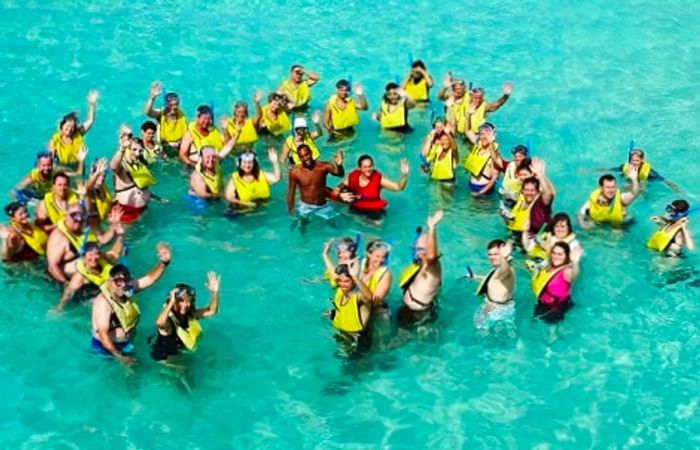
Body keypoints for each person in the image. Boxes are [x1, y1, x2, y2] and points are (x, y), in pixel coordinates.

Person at [91, 244, 171, 363]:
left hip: (124, 344)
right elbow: (103, 335)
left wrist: (164, 263)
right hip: (106, 349)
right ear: (109, 282)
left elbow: (149, 279)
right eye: (118, 281)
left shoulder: (126, 288)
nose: (122, 285)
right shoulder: (104, 303)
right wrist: (120, 357)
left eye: (126, 281)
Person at [150, 271, 221, 362]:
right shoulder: (168, 320)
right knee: (185, 374)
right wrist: (171, 302)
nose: (185, 305)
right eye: (181, 301)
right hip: (164, 357)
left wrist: (215, 292)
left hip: (178, 353)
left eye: (188, 301)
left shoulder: (189, 314)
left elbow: (211, 311)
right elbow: (159, 323)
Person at [46, 202, 122, 283]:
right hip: (66, 278)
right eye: (73, 215)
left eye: (81, 215)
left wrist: (113, 226)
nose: (78, 219)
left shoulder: (86, 227)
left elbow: (103, 240)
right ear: (66, 215)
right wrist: (66, 284)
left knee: (112, 256)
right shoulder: (58, 237)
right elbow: (52, 267)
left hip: (89, 266)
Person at [396, 210, 443, 327]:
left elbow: (432, 256)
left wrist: (432, 228)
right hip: (409, 309)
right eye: (416, 249)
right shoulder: (421, 264)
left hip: (419, 314)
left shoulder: (432, 267)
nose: (418, 253)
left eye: (421, 249)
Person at [53, 239, 127, 312]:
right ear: (84, 256)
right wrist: (59, 308)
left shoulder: (105, 262)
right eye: (90, 254)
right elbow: (69, 292)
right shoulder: (80, 277)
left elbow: (115, 252)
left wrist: (121, 238)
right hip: (87, 300)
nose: (94, 258)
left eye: (96, 254)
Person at [330, 155, 408, 218]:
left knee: (378, 227)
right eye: (365, 167)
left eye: (370, 166)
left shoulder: (379, 180)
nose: (368, 169)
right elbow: (336, 190)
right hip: (356, 208)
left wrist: (404, 175)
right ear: (360, 168)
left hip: (372, 210)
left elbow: (398, 187)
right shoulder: (354, 177)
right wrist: (340, 194)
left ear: (373, 166)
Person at [287, 145, 345, 223]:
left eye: (307, 154)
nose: (305, 158)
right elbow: (291, 192)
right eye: (302, 156)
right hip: (305, 206)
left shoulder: (324, 166)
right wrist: (291, 209)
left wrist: (339, 165)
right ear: (299, 158)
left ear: (311, 152)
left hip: (322, 205)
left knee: (333, 225)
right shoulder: (295, 172)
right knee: (303, 227)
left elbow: (340, 174)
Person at [111, 129, 157, 223]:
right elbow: (113, 167)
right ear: (127, 150)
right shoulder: (122, 166)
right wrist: (122, 149)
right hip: (126, 212)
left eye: (140, 151)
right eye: (134, 150)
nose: (137, 154)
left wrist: (157, 198)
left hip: (143, 210)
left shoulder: (138, 165)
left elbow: (142, 188)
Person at [503, 158, 555, 241]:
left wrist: (540, 175)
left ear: (537, 191)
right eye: (526, 190)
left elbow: (549, 193)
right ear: (523, 191)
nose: (529, 193)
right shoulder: (521, 197)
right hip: (514, 236)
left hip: (532, 241)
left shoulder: (540, 203)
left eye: (532, 191)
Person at [326, 264, 374, 353]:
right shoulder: (340, 291)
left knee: (350, 365)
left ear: (354, 281)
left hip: (357, 340)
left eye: (347, 281)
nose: (343, 284)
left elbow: (368, 297)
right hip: (341, 333)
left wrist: (355, 277)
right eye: (340, 281)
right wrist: (331, 314)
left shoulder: (359, 297)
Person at [531, 242, 582, 324]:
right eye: (553, 253)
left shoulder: (566, 271)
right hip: (543, 303)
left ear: (566, 256)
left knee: (552, 334)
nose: (556, 257)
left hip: (555, 308)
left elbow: (574, 275)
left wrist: (575, 262)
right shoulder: (549, 266)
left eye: (560, 254)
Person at [470, 239, 516, 329]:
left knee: (484, 334)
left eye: (496, 254)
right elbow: (494, 280)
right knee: (480, 330)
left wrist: (504, 257)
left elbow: (504, 271)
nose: (492, 257)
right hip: (492, 307)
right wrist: (476, 277)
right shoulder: (497, 269)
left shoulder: (506, 269)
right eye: (490, 254)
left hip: (499, 311)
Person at [47, 90, 99, 167]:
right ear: (62, 126)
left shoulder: (78, 134)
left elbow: (90, 120)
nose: (70, 129)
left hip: (78, 166)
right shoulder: (55, 139)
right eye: (67, 126)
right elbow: (50, 155)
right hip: (62, 167)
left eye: (72, 127)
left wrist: (92, 104)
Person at [14, 151, 85, 202]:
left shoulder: (56, 173)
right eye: (43, 165)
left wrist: (81, 160)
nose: (46, 168)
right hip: (37, 194)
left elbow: (78, 174)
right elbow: (16, 189)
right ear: (38, 166)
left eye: (49, 165)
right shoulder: (32, 177)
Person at [144, 82, 187, 156]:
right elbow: (148, 112)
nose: (174, 107)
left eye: (176, 105)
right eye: (171, 105)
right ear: (166, 105)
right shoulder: (161, 114)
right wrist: (152, 98)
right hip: (165, 150)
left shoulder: (181, 115)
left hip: (180, 148)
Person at [610, 147, 678, 191]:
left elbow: (664, 181)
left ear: (642, 160)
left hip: (643, 183)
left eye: (637, 160)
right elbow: (612, 170)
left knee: (642, 191)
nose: (634, 163)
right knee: (624, 186)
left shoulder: (650, 173)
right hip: (630, 180)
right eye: (632, 160)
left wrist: (677, 190)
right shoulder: (625, 167)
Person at [463, 122, 500, 196]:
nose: (484, 137)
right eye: (482, 134)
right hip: (471, 186)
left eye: (487, 134)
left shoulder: (495, 155)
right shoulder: (478, 146)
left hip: (484, 190)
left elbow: (495, 177)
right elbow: (467, 131)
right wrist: (468, 114)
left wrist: (480, 193)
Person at [490, 144, 531, 209]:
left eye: (520, 156)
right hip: (501, 196)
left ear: (525, 157)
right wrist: (490, 143)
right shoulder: (510, 165)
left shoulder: (527, 173)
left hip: (514, 201)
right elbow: (495, 159)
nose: (517, 158)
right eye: (516, 156)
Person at [360, 240, 392, 311]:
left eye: (383, 257)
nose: (380, 260)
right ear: (369, 254)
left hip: (375, 310)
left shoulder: (386, 275)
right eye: (377, 256)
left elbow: (374, 302)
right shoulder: (360, 263)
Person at [83, 158, 114, 226]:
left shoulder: (103, 186)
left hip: (108, 222)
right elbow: (87, 187)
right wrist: (97, 172)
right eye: (100, 175)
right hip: (97, 229)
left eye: (104, 175)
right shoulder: (89, 191)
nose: (102, 178)